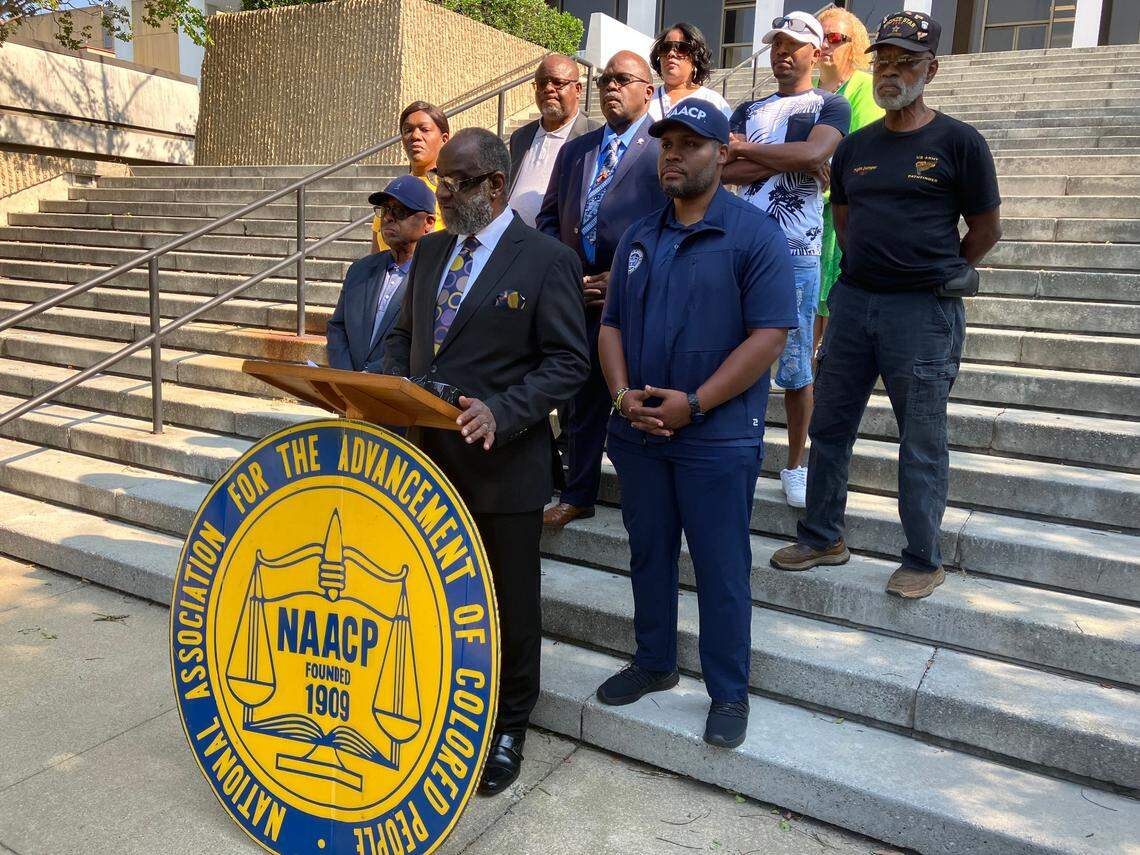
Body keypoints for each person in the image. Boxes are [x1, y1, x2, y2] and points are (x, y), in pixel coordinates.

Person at [382, 128, 590, 794]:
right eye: (439, 178)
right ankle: (447, 702)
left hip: (504, 470)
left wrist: (503, 409)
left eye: (454, 181)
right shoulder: (432, 250)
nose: (438, 192)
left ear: (494, 185)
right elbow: (403, 339)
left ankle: (507, 725)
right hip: (425, 466)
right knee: (433, 595)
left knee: (508, 605)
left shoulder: (545, 260)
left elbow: (568, 363)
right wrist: (375, 385)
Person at [770, 11, 1003, 600]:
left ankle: (923, 558)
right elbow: (844, 223)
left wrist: (938, 270)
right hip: (853, 304)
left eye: (907, 63)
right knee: (831, 425)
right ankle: (823, 535)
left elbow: (985, 230)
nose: (892, 73)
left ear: (932, 69)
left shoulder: (960, 143)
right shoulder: (856, 148)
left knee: (921, 437)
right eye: (885, 61)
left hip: (923, 313)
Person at [593, 100, 796, 750]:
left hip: (716, 437)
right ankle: (655, 660)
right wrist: (623, 396)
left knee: (720, 566)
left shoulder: (754, 235)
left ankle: (729, 690)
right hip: (641, 435)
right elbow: (612, 326)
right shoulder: (637, 238)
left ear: (722, 155)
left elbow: (768, 337)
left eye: (690, 143)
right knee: (649, 554)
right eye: (667, 143)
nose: (673, 154)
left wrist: (697, 403)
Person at [723, 12, 850, 510]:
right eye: (777, 43)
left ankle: (796, 464)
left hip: (796, 254)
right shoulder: (747, 108)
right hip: (740, 253)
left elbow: (814, 152)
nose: (783, 52)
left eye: (794, 44)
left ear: (816, 53)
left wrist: (757, 153)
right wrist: (793, 156)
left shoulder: (830, 104)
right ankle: (739, 455)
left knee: (796, 371)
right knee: (734, 359)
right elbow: (723, 167)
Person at [537, 50, 668, 530]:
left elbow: (672, 225)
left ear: (648, 91)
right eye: (605, 80)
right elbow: (550, 216)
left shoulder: (662, 150)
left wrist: (626, 274)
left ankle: (647, 497)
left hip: (638, 292)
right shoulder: (577, 149)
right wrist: (567, 270)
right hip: (580, 291)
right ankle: (578, 492)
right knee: (582, 399)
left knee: (638, 393)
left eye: (623, 79)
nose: (611, 86)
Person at [815, 6, 883, 362]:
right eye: (820, 37)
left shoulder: (865, 88)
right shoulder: (807, 89)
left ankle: (824, 366)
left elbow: (861, 150)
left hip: (844, 210)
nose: (825, 45)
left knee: (832, 297)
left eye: (835, 38)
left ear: (853, 45)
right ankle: (807, 372)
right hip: (805, 208)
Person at [326, 176, 436, 372]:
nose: (387, 218)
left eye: (400, 211)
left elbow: (423, 342)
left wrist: (370, 376)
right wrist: (347, 376)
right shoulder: (360, 270)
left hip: (396, 393)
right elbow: (337, 328)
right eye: (385, 210)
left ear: (428, 222)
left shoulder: (436, 277)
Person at [507, 55, 599, 227]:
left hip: (560, 247)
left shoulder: (595, 136)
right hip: (512, 243)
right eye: (541, 83)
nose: (548, 89)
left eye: (558, 82)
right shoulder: (520, 137)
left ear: (578, 89)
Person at [370, 101, 448, 253]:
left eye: (424, 129)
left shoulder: (452, 190)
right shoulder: (392, 192)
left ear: (444, 139)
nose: (415, 136)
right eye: (408, 130)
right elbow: (376, 256)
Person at [646, 22, 731, 121]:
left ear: (696, 58)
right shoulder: (645, 101)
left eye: (681, 48)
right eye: (665, 48)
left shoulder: (713, 102)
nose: (671, 53)